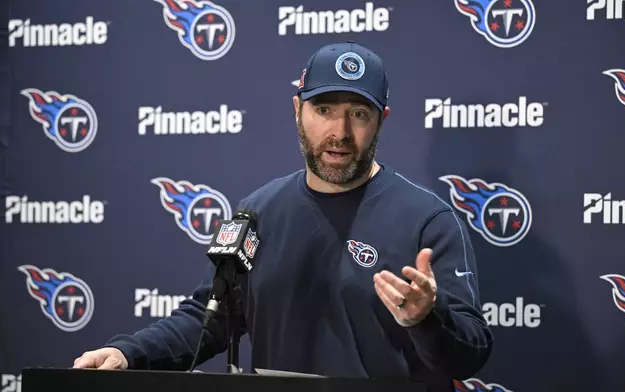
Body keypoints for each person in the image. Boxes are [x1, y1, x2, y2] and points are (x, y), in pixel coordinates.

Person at [73, 41, 494, 391]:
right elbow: (209, 320)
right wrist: (130, 352)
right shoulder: (257, 212)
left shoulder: (430, 221)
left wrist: (426, 318)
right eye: (324, 110)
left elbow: (471, 353)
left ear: (381, 122)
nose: (341, 133)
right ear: (298, 110)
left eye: (359, 114)